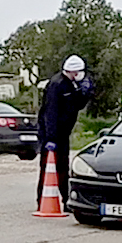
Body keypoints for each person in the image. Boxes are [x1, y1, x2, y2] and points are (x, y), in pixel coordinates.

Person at [36, 54, 94, 210]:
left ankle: (65, 200)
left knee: (63, 168)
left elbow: (76, 106)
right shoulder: (57, 85)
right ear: (73, 71)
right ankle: (42, 201)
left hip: (63, 133)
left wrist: (85, 93)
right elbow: (51, 113)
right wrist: (51, 137)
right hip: (52, 134)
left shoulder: (71, 84)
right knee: (48, 168)